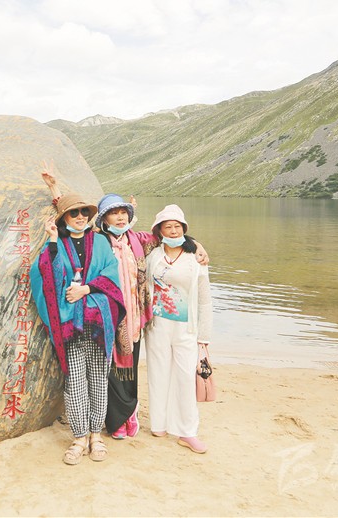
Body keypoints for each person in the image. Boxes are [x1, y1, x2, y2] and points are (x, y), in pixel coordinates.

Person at [40, 163, 209, 441]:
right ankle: (114, 419)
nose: (120, 218)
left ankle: (129, 414)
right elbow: (72, 215)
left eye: (123, 213)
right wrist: (54, 188)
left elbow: (170, 235)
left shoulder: (139, 240)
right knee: (109, 368)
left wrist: (197, 245)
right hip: (107, 311)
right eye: (113, 213)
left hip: (134, 315)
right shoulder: (97, 240)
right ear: (104, 219)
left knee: (129, 367)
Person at [29, 193, 126, 465]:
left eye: (84, 211)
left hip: (99, 322)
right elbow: (46, 274)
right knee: (75, 381)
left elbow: (111, 274)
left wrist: (86, 289)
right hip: (70, 323)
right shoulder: (57, 243)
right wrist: (51, 239)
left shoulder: (101, 242)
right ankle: (80, 436)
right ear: (64, 218)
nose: (81, 216)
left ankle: (96, 435)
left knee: (98, 379)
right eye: (74, 213)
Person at [145, 204, 213, 454]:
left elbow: (205, 299)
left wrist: (204, 337)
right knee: (158, 372)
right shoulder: (153, 256)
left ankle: (188, 431)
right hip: (157, 325)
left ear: (184, 229)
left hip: (186, 327)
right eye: (168, 227)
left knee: (185, 376)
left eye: (177, 226)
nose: (173, 231)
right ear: (159, 231)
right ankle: (159, 424)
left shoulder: (195, 259)